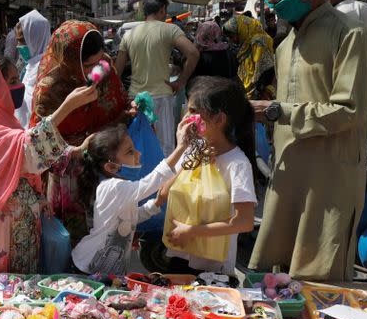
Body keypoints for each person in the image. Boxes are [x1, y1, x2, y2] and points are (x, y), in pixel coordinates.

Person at [250, 0, 367, 281]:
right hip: (289, 174)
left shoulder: (350, 35)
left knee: (320, 287)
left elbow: (350, 110)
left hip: (330, 179)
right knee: (279, 286)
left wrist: (278, 111)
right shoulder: (286, 42)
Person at [0, 57, 97, 274]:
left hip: (25, 218)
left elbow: (27, 161)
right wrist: (66, 108)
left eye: (17, 78)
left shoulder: (7, 120)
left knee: (23, 287)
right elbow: (28, 150)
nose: (18, 86)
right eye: (11, 81)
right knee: (1, 287)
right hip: (3, 223)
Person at [31, 20, 130, 244]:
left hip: (106, 170)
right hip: (68, 180)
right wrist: (77, 144)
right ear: (69, 62)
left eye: (99, 61)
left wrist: (128, 112)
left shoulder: (104, 69)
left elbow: (117, 105)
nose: (95, 70)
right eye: (87, 65)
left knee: (108, 241)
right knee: (74, 243)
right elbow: (39, 144)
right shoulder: (50, 90)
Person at [72, 119, 193, 276]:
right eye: (130, 152)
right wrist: (181, 147)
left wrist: (157, 203)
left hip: (105, 271)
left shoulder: (120, 188)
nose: (139, 153)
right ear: (111, 167)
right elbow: (152, 181)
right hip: (87, 268)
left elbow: (130, 219)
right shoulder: (113, 188)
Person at [166, 76, 257, 275]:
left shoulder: (237, 165)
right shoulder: (194, 149)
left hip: (213, 267)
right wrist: (181, 147)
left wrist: (191, 232)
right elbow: (164, 191)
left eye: (192, 112)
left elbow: (244, 221)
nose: (185, 118)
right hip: (180, 255)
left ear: (219, 119)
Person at [115, 0, 200, 155]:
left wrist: (122, 95)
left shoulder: (128, 35)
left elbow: (117, 71)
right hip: (161, 97)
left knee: (138, 148)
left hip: (136, 99)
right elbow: (193, 53)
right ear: (162, 10)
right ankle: (164, 180)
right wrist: (180, 82)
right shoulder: (170, 29)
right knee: (165, 149)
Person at [222, 15, 276, 100]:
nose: (232, 40)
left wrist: (263, 90)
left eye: (232, 36)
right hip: (247, 91)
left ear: (241, 30)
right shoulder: (245, 44)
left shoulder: (258, 41)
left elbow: (265, 69)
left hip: (259, 93)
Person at [14, 9, 51, 128]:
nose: (19, 46)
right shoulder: (29, 67)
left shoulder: (49, 68)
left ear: (35, 38)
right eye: (18, 41)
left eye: (22, 41)